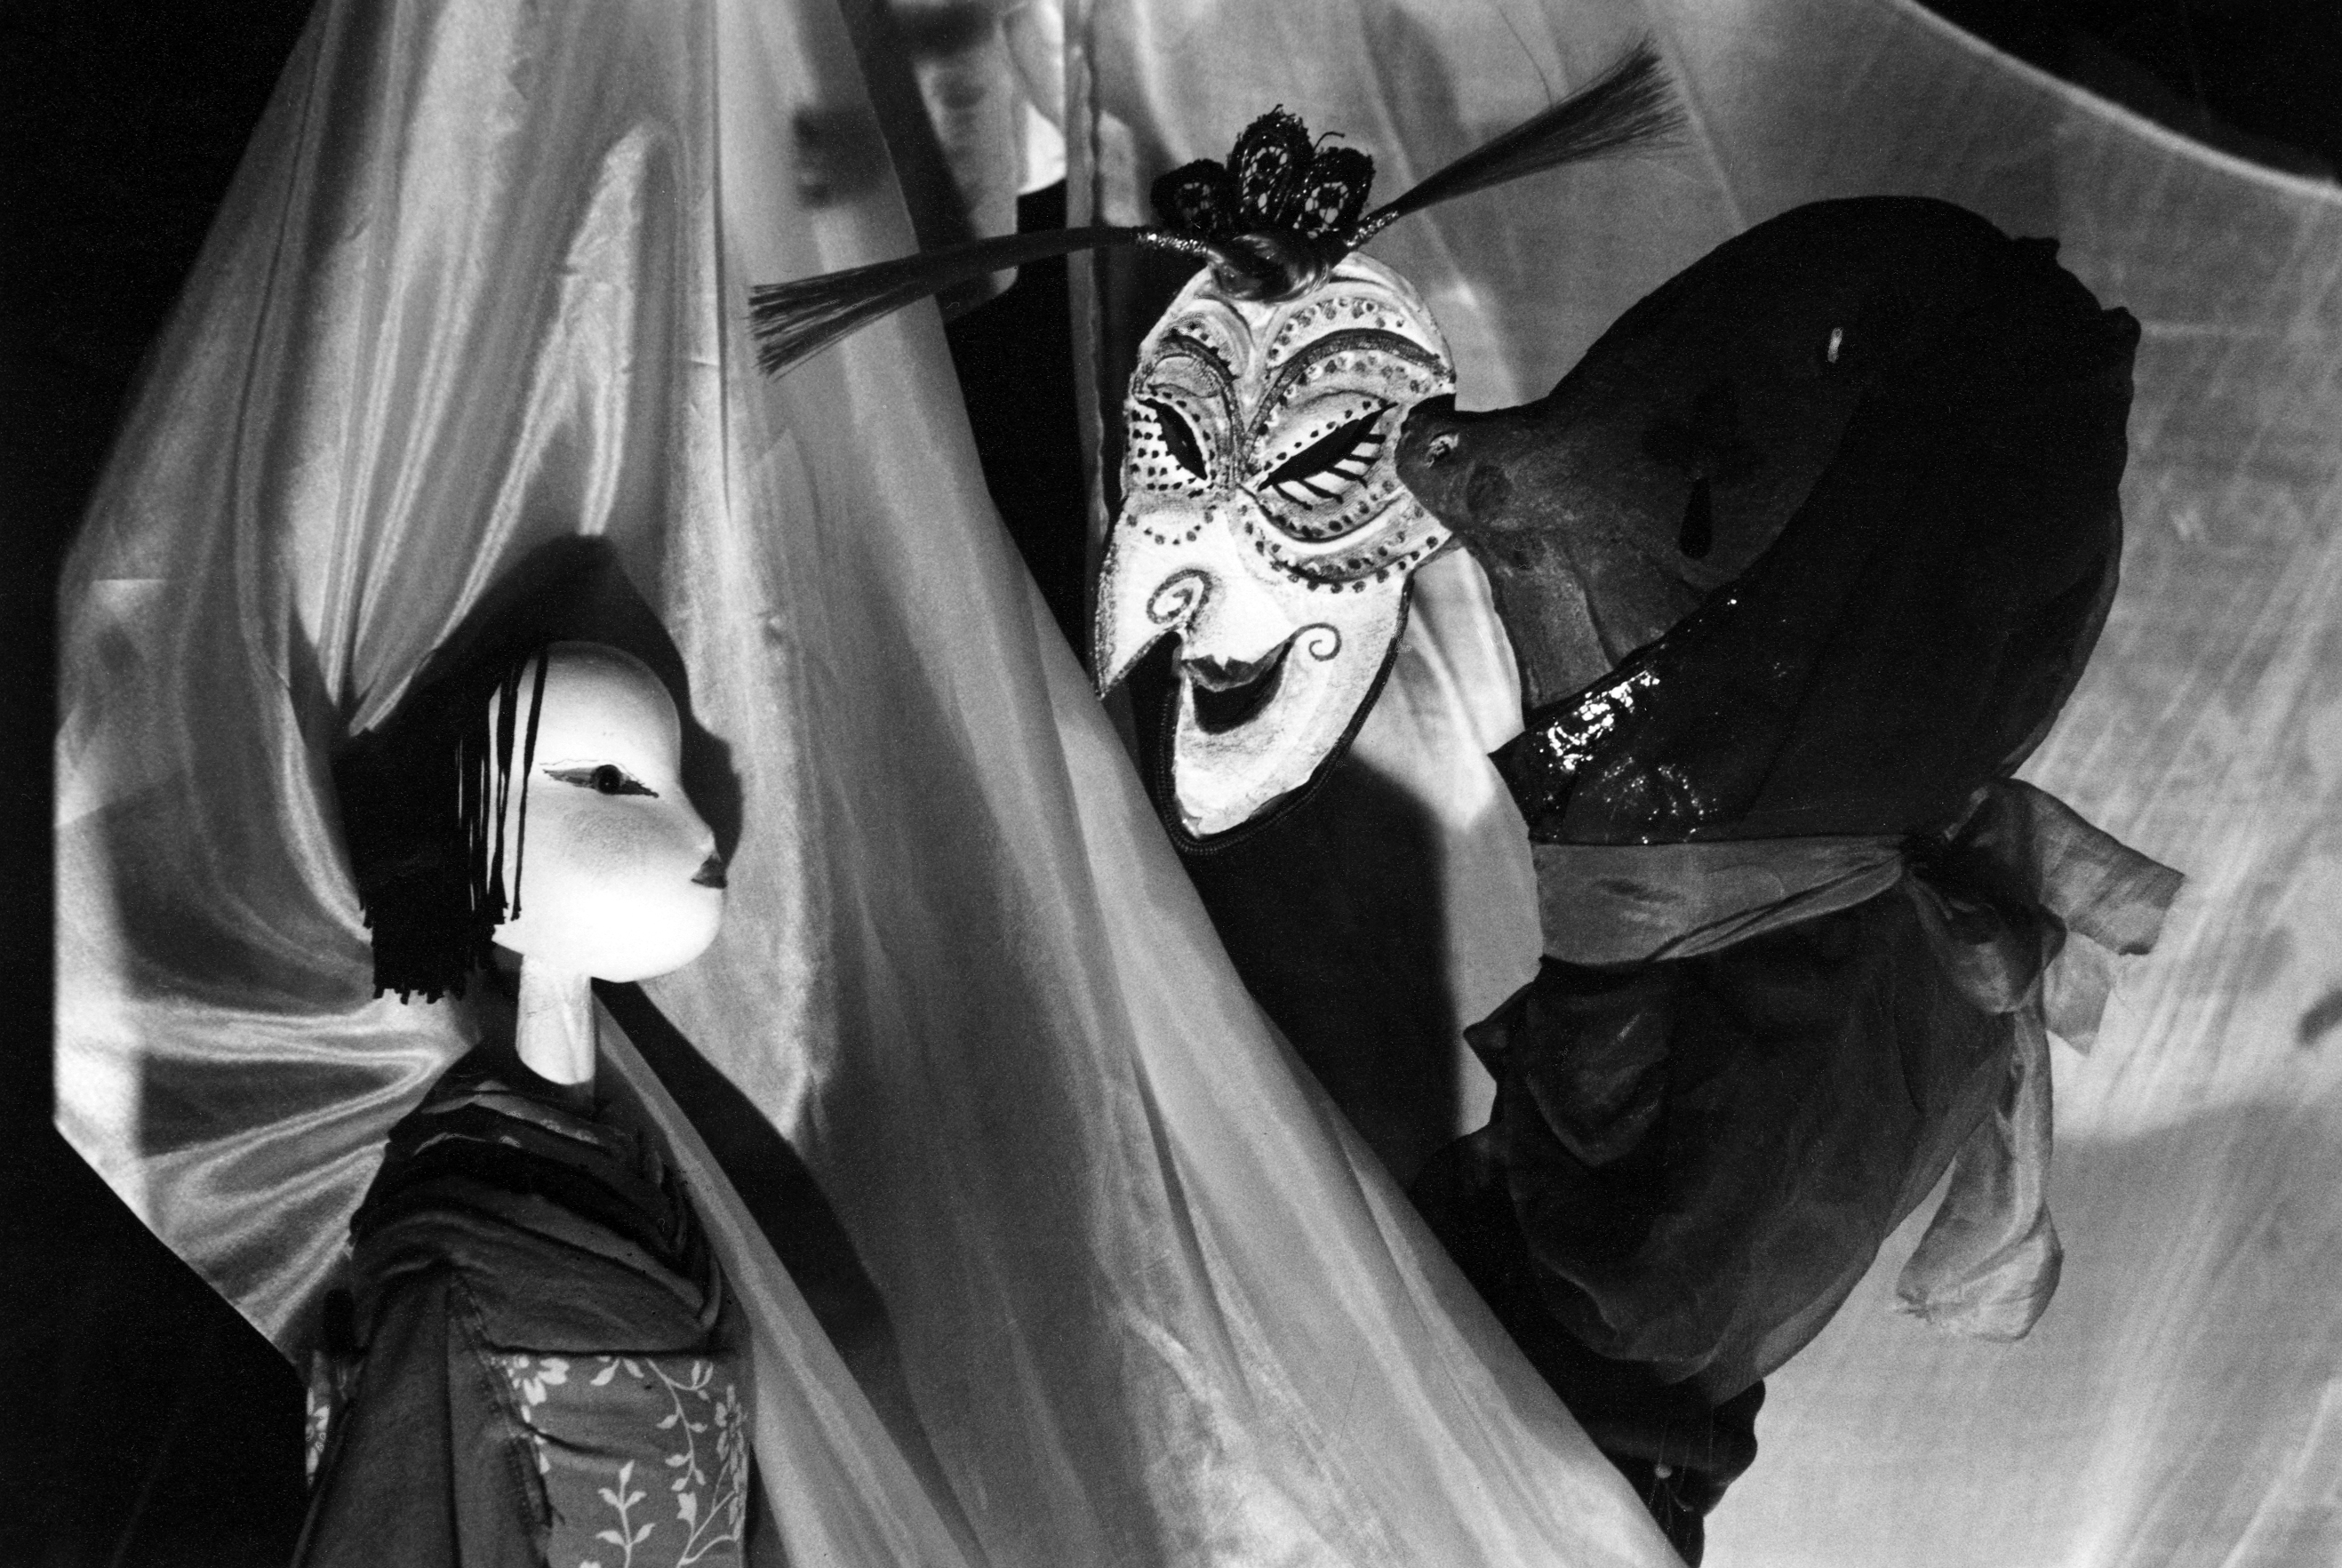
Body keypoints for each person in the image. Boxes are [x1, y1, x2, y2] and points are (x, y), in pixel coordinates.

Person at [299, 641, 753, 1568]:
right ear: (477, 830)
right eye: (607, 780)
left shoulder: (626, 1171)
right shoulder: (448, 1260)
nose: (708, 836)